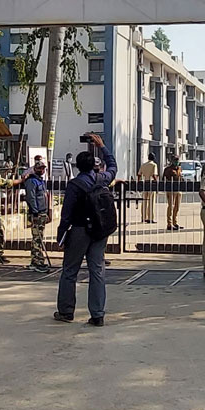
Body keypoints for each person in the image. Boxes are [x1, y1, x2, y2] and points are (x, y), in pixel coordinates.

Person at [54, 133, 116, 326]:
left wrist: (61, 238)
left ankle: (66, 311)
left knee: (70, 271)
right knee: (97, 271)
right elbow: (113, 167)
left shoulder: (75, 185)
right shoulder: (102, 179)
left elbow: (66, 214)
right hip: (99, 231)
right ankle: (97, 314)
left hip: (79, 230)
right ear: (94, 165)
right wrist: (102, 146)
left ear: (77, 166)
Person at [24, 160, 51, 273]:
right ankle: (36, 262)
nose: (42, 170)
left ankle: (38, 260)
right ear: (35, 169)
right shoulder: (32, 181)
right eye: (40, 168)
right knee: (37, 238)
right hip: (37, 213)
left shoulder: (41, 181)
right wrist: (34, 212)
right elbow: (31, 198)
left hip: (42, 212)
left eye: (43, 168)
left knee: (39, 238)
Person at [162, 155, 182, 231]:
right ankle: (169, 224)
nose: (176, 161)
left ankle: (175, 222)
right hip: (171, 190)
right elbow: (164, 179)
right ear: (172, 161)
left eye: (177, 160)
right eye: (175, 160)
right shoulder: (168, 169)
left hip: (178, 190)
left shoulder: (179, 168)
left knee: (177, 207)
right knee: (171, 206)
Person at [138, 152, 159, 223]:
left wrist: (138, 183)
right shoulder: (154, 165)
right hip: (151, 183)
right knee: (151, 202)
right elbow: (154, 175)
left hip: (144, 183)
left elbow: (139, 174)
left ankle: (143, 217)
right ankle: (150, 218)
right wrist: (157, 183)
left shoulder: (143, 165)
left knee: (144, 201)